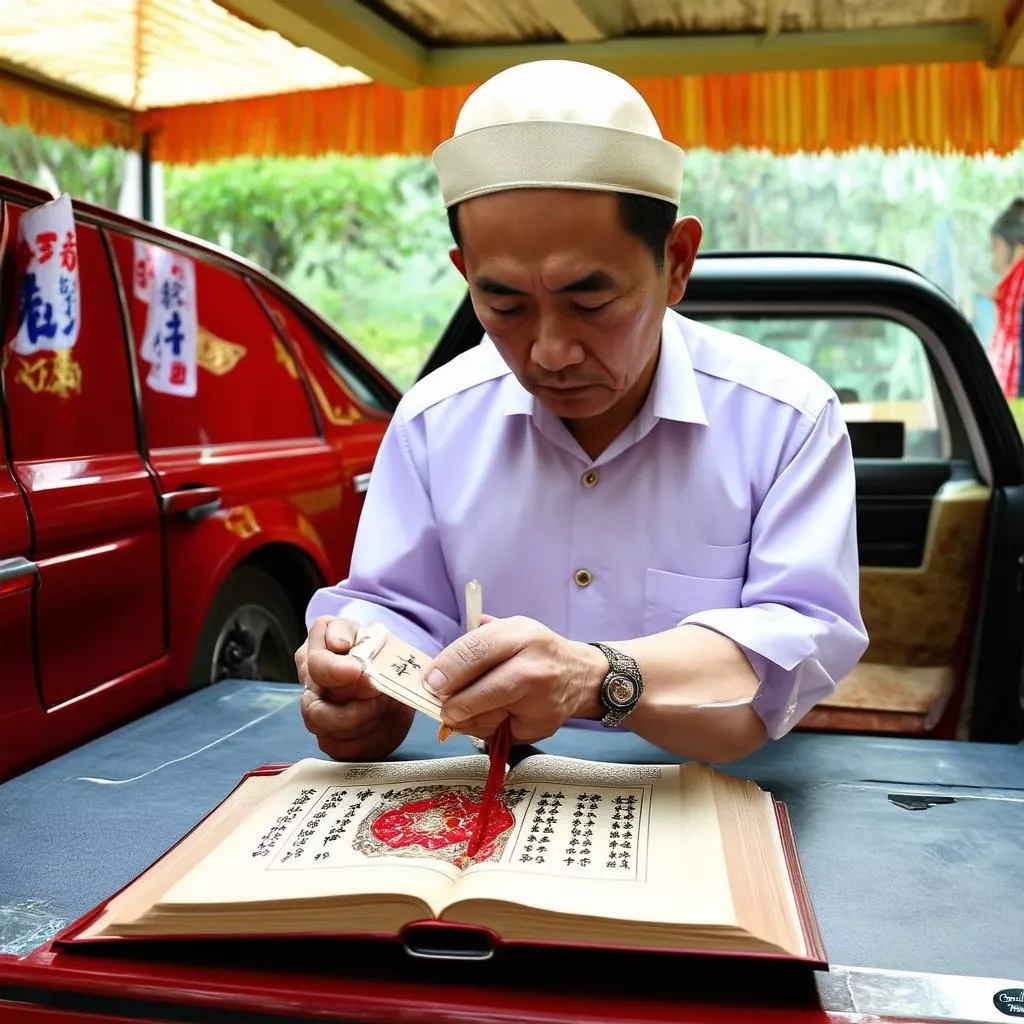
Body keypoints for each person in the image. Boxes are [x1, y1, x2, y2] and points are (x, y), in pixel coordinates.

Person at [296, 60, 868, 764]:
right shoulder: (434, 422)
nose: (551, 351)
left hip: (715, 803)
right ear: (464, 273)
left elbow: (795, 640)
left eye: (591, 302)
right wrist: (361, 679)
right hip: (494, 811)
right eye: (503, 305)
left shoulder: (784, 420)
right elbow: (398, 609)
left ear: (677, 261)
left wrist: (598, 678)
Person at [987, 198, 1024, 400]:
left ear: (1016, 245)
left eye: (996, 245)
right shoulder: (1011, 286)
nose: (993, 257)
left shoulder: (1018, 285)